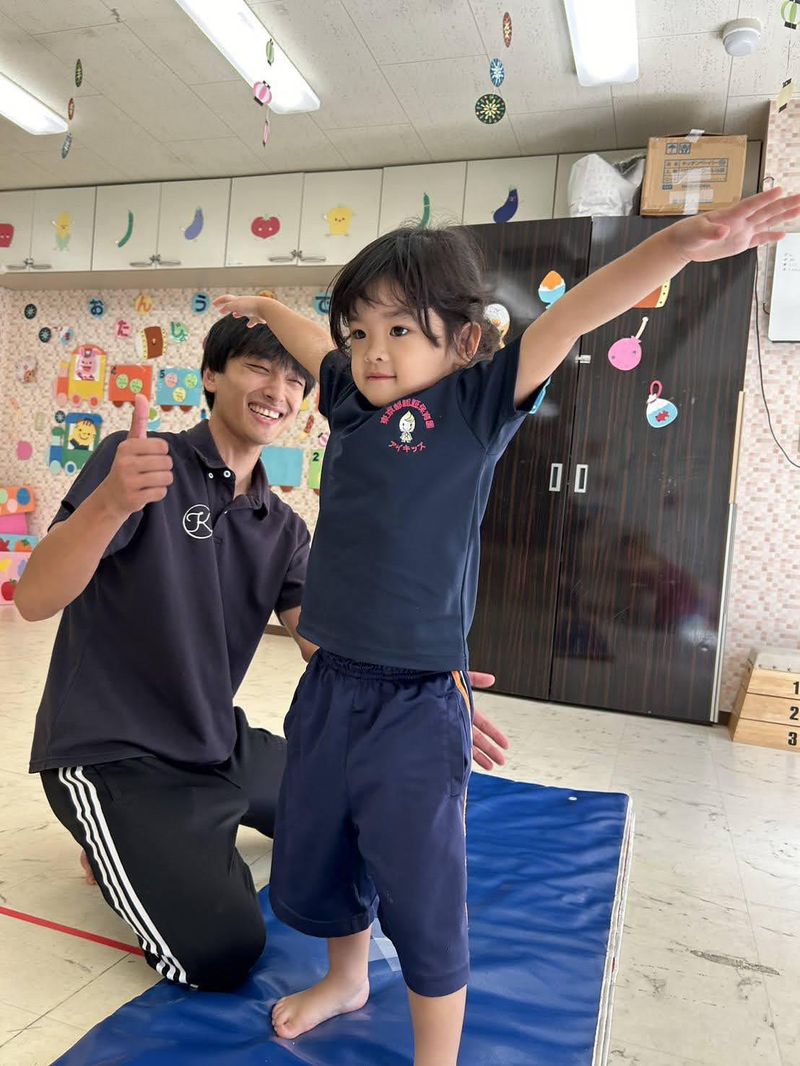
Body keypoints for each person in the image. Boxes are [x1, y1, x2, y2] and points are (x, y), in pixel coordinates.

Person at [214, 185, 800, 1065]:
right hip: (329, 683)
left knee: (421, 885)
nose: (374, 351)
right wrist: (264, 305)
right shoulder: (348, 399)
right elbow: (310, 341)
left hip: (418, 701)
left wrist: (679, 243)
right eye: (360, 332)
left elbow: (576, 313)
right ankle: (346, 977)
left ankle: (436, 1055)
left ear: (463, 343)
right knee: (324, 849)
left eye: (400, 329)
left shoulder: (475, 405)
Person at [14, 314, 509, 992]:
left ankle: (168, 834)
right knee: (223, 950)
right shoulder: (140, 464)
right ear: (211, 376)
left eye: (294, 380)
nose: (277, 390)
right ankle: (120, 844)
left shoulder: (281, 527)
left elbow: (326, 646)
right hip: (111, 750)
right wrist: (109, 506)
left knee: (355, 808)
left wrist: (421, 688)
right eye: (256, 367)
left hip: (214, 741)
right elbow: (33, 601)